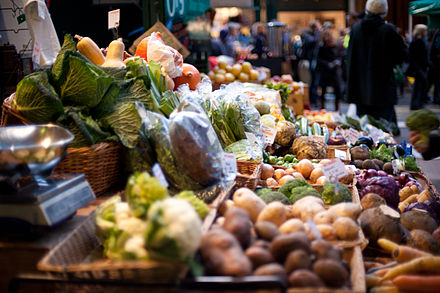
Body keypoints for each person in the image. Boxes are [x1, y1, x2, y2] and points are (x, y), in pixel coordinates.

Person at [346, 0, 407, 125]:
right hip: (383, 90)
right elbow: (401, 56)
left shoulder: (356, 29)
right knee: (385, 131)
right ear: (384, 11)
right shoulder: (389, 30)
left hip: (360, 90)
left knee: (365, 131)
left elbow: (349, 57)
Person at [317, 30, 342, 111]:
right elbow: (318, 59)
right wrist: (327, 64)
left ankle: (337, 109)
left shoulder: (336, 46)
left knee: (337, 89)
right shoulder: (321, 47)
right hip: (325, 70)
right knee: (323, 89)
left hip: (334, 71)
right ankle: (322, 108)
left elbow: (340, 56)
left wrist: (337, 62)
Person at [300, 20, 323, 107]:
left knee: (315, 81)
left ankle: (314, 100)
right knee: (310, 81)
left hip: (315, 61)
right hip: (309, 61)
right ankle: (311, 100)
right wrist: (318, 32)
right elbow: (313, 42)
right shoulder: (307, 35)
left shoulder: (314, 35)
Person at [408, 24, 429, 110]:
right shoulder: (418, 42)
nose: (426, 32)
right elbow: (417, 56)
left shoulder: (416, 41)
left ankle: (417, 103)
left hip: (418, 67)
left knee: (419, 85)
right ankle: (417, 103)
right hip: (419, 68)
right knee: (419, 86)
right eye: (424, 31)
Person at [429, 29, 440, 104]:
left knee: (437, 81)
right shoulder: (438, 34)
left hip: (436, 62)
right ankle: (437, 98)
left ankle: (436, 97)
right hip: (437, 62)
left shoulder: (437, 33)